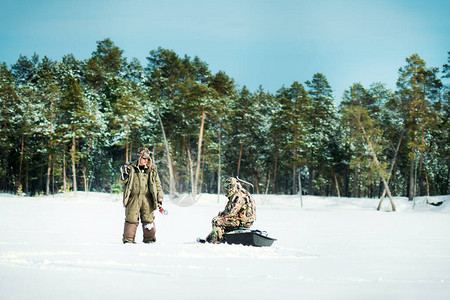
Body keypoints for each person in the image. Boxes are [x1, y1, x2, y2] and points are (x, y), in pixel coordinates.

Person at [120, 147, 163, 244]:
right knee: (131, 219)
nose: (146, 160)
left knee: (148, 220)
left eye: (148, 158)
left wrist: (159, 198)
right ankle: (128, 241)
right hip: (133, 198)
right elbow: (122, 182)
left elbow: (157, 184)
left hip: (147, 199)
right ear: (139, 158)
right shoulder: (130, 168)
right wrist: (124, 174)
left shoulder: (152, 169)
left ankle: (150, 241)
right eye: (144, 158)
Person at [205, 177, 256, 243]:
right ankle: (210, 239)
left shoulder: (238, 195)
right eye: (226, 186)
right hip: (244, 220)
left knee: (216, 220)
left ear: (235, 185)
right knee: (222, 221)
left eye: (229, 186)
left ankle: (219, 241)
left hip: (242, 221)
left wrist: (221, 214)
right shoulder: (242, 192)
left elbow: (231, 212)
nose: (227, 189)